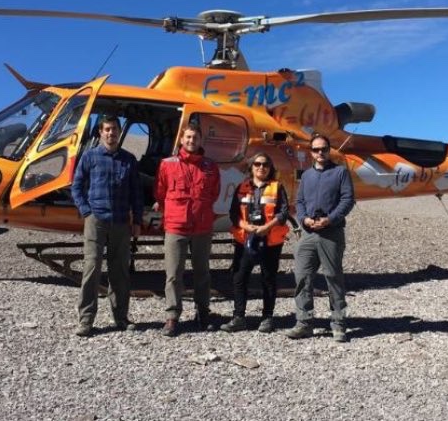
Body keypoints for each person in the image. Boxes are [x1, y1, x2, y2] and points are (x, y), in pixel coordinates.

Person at [70, 114, 143, 337]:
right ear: (101, 132)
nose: (111, 133)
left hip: (121, 222)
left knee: (119, 271)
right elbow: (77, 186)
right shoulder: (90, 157)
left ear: (120, 133)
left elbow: (136, 193)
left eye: (114, 129)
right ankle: (86, 320)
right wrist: (86, 211)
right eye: (107, 129)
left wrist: (137, 220)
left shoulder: (129, 160)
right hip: (96, 220)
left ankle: (121, 317)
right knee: (92, 268)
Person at [286, 133, 355, 343]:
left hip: (330, 232)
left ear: (329, 149)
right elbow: (299, 201)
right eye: (316, 150)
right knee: (302, 277)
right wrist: (304, 218)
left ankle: (338, 324)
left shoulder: (340, 172)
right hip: (308, 232)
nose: (320, 153)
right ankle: (304, 323)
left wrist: (330, 219)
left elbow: (348, 199)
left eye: (323, 149)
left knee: (333, 277)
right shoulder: (306, 175)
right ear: (311, 152)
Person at [154, 123, 221, 337]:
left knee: (202, 272)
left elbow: (214, 193)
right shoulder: (167, 164)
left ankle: (202, 313)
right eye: (188, 137)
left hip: (202, 227)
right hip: (176, 226)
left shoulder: (211, 166)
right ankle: (172, 316)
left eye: (195, 137)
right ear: (182, 140)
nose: (192, 141)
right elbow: (160, 192)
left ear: (201, 140)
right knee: (173, 274)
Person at [220, 153, 290, 334]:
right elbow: (234, 213)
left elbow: (283, 213)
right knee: (239, 277)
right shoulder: (242, 187)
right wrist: (244, 225)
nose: (261, 167)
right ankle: (238, 317)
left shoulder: (277, 187)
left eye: (265, 164)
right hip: (246, 239)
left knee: (268, 278)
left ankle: (267, 318)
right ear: (251, 167)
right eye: (257, 164)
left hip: (270, 240)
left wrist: (267, 227)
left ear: (270, 167)